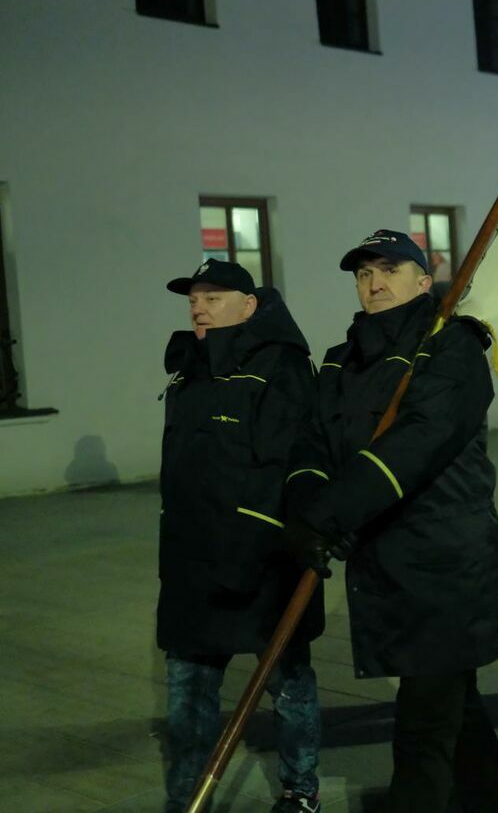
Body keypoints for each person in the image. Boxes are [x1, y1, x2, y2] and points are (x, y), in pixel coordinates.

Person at [285, 230, 498, 812]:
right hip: (383, 560)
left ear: (423, 280)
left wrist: (330, 515)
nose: (374, 282)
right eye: (363, 274)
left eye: (389, 269)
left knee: (423, 730)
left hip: (443, 565)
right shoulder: (341, 359)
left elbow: (416, 444)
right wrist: (309, 505)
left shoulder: (452, 349)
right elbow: (312, 441)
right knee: (455, 711)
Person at [158, 260, 323, 813]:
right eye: (192, 299)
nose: (198, 307)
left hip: (262, 563)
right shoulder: (188, 370)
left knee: (288, 683)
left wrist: (266, 546)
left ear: (249, 306)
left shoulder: (281, 367)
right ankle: (187, 801)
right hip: (190, 567)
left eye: (213, 297)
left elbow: (287, 464)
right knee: (187, 695)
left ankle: (300, 792)